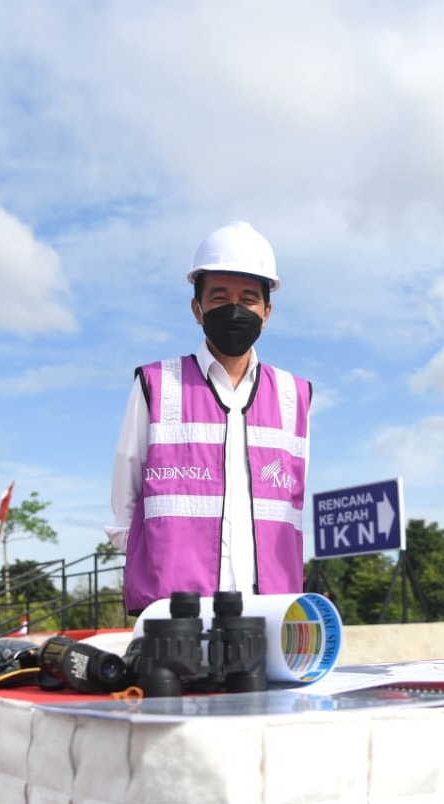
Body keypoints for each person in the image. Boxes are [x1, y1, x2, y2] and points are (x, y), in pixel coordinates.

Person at [107, 221, 312, 614]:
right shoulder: (156, 383)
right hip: (176, 612)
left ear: (267, 312)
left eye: (249, 299)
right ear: (197, 309)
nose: (234, 309)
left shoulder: (295, 395)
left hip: (271, 609)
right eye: (219, 298)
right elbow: (125, 507)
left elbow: (292, 506)